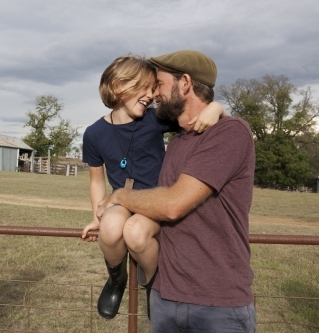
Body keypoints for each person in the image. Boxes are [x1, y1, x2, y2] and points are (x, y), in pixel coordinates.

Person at [97, 50, 257, 332]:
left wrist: (120, 195)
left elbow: (172, 205)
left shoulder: (229, 132)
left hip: (217, 304)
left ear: (184, 83)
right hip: (165, 298)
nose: (154, 93)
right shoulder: (178, 142)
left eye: (158, 84)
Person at [80, 54, 226, 320]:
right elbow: (96, 180)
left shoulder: (154, 119)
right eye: (145, 87)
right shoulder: (93, 133)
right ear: (118, 86)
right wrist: (96, 217)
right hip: (120, 201)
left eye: (154, 87)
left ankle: (153, 284)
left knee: (135, 234)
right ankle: (116, 279)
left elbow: (193, 114)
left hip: (153, 201)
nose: (151, 94)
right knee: (111, 229)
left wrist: (216, 108)